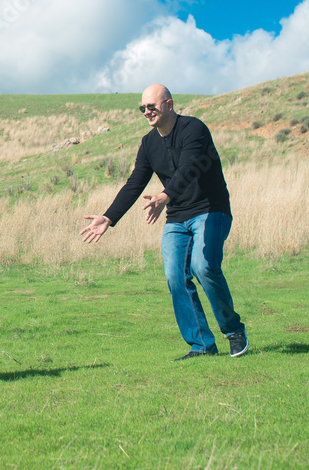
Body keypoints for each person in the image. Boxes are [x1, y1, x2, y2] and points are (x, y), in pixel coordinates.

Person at [80, 84, 248, 360]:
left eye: (151, 107)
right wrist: (109, 217)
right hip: (177, 217)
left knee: (203, 267)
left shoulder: (194, 129)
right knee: (175, 276)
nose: (146, 112)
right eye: (142, 108)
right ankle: (202, 345)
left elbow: (190, 168)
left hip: (211, 210)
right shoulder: (149, 143)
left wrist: (164, 196)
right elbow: (135, 182)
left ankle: (233, 331)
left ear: (169, 105)